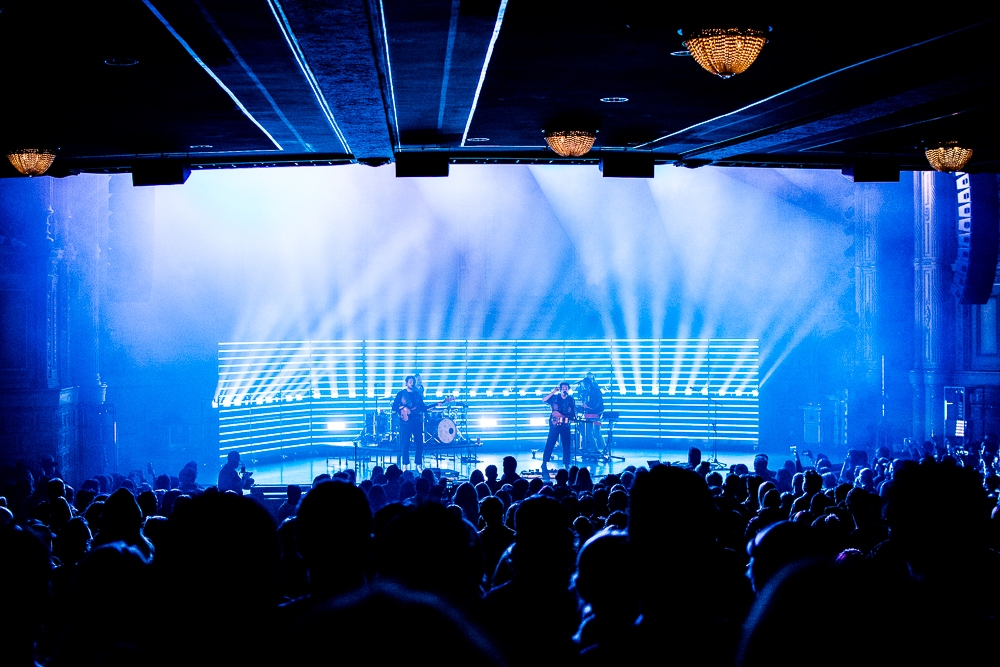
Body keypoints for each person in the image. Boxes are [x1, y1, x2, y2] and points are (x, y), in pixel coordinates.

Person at [542, 382, 576, 469]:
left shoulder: (571, 400)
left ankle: (566, 463)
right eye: (563, 388)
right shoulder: (554, 398)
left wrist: (571, 418)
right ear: (560, 389)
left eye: (566, 388)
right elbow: (544, 399)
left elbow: (572, 412)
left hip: (565, 424)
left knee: (566, 444)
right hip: (555, 424)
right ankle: (544, 462)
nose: (564, 389)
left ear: (568, 389)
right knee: (550, 442)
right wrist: (553, 392)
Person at [576, 373, 605, 456]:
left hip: (597, 415)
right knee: (588, 432)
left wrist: (587, 406)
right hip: (590, 415)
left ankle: (604, 450)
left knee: (597, 433)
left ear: (587, 384)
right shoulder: (588, 391)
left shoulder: (596, 390)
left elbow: (596, 404)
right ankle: (595, 449)